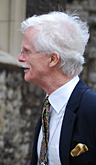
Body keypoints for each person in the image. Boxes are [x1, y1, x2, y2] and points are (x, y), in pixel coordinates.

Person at [18, 11, 96, 165]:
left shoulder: (92, 108)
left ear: (53, 59)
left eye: (27, 51)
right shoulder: (49, 106)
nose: (20, 58)